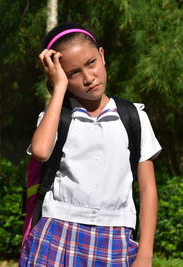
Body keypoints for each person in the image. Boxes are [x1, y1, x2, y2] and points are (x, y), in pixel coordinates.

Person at [20, 23, 161, 266]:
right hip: (56, 233)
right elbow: (41, 151)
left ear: (103, 56)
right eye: (73, 73)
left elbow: (148, 189)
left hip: (115, 236)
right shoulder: (58, 116)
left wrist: (145, 254)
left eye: (91, 63)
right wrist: (59, 88)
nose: (88, 78)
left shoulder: (134, 116)